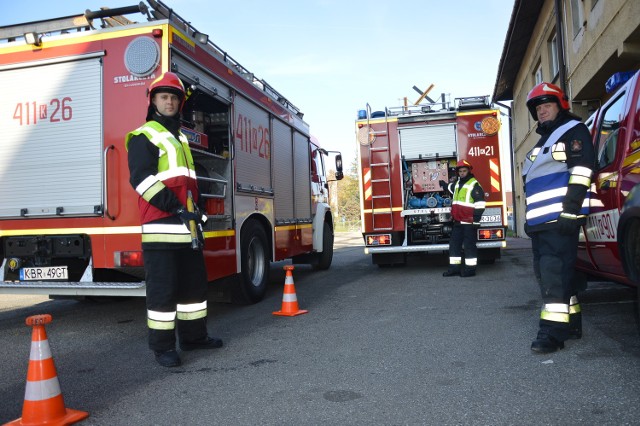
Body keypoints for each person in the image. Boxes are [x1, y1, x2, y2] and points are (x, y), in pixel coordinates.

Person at [125, 72, 222, 367]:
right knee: (163, 292)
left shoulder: (178, 137)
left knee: (194, 289)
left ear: (180, 104)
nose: (169, 102)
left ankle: (193, 337)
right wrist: (176, 208)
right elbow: (141, 180)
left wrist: (198, 211)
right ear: (153, 101)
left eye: (174, 98)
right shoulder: (145, 136)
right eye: (164, 97)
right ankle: (163, 347)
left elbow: (188, 182)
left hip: (187, 229)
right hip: (162, 229)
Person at [523, 82, 594, 354]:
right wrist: (530, 221)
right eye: (538, 108)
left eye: (547, 106)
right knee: (555, 273)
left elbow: (582, 171)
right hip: (542, 223)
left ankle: (552, 334)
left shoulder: (572, 131)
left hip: (560, 218)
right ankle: (572, 323)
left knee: (553, 274)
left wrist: (571, 210)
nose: (542, 112)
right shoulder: (545, 141)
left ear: (560, 106)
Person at [441, 160, 486, 277]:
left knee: (469, 246)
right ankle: (454, 268)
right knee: (454, 245)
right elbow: (452, 188)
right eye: (460, 171)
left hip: (469, 222)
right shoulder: (458, 184)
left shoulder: (474, 184)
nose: (462, 173)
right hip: (458, 221)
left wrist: (476, 220)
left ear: (469, 171)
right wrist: (444, 185)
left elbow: (480, 203)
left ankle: (470, 270)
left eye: (464, 171)